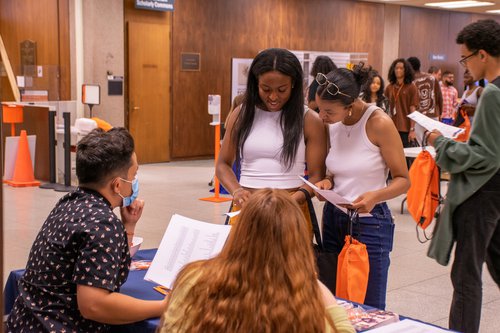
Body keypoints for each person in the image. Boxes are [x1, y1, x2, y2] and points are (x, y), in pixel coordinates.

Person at [6, 128, 167, 332]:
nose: (135, 182)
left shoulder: (68, 204)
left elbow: (109, 272)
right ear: (117, 185)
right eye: (134, 175)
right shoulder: (103, 224)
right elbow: (94, 305)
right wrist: (163, 306)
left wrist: (128, 226)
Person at [157, 188, 355, 333]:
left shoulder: (194, 278)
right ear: (298, 243)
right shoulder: (305, 303)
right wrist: (314, 284)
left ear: (239, 232)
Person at [424, 19, 500, 333]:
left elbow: (486, 156)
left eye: (466, 58)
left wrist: (439, 142)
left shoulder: (492, 94)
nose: (465, 65)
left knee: (466, 277)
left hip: (480, 194)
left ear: (483, 55)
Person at [314, 64, 410, 310]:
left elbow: (403, 179)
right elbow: (334, 169)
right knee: (333, 299)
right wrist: (327, 181)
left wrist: (376, 195)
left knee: (368, 303)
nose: (321, 117)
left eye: (328, 112)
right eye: (319, 109)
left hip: (369, 220)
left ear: (349, 106)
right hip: (334, 216)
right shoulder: (332, 123)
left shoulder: (379, 123)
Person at [216, 48, 326, 215]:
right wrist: (236, 191)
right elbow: (222, 164)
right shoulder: (241, 114)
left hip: (291, 208)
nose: (273, 97)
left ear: (293, 85)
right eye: (266, 89)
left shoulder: (309, 119)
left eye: (282, 90)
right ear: (255, 84)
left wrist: (293, 200)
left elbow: (317, 176)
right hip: (247, 207)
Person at [384, 58, 419, 148]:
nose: (398, 70)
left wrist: (412, 129)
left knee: (405, 155)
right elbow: (385, 108)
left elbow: (413, 109)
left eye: (401, 68)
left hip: (405, 129)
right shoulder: (389, 88)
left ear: (406, 70)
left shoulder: (411, 87)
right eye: (396, 68)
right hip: (391, 127)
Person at [407, 56, 443, 121]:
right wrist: (440, 113)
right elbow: (439, 98)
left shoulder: (409, 82)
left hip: (418, 117)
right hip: (433, 115)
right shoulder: (432, 78)